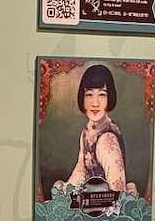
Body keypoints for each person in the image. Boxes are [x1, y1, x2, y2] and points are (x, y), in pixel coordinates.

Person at [55, 64, 135, 196]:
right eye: (89, 94)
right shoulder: (87, 131)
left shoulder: (107, 139)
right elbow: (81, 168)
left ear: (110, 98)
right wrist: (67, 190)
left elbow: (117, 191)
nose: (95, 103)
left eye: (102, 95)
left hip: (107, 204)